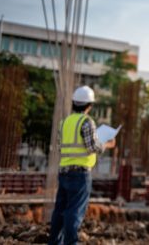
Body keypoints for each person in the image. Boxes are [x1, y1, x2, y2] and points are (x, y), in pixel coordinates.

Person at [48, 85, 116, 245]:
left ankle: (54, 242)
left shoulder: (64, 122)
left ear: (73, 103)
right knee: (74, 211)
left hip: (64, 172)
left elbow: (60, 146)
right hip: (80, 174)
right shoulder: (86, 122)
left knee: (60, 211)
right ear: (89, 106)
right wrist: (107, 144)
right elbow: (92, 147)